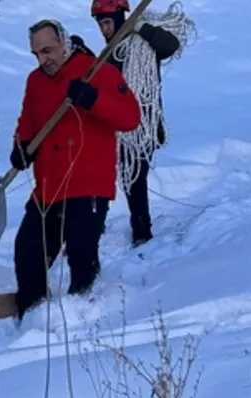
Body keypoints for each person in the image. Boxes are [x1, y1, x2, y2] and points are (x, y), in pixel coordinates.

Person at [10, 19, 140, 318]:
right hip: (48, 188)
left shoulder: (98, 72)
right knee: (28, 252)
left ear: (64, 43)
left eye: (48, 50)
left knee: (81, 254)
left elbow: (130, 117)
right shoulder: (35, 81)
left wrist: (93, 99)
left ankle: (85, 314)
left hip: (88, 184)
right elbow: (27, 121)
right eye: (37, 54)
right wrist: (21, 146)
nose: (43, 60)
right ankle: (33, 318)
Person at [92, 0, 180, 247]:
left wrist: (142, 28)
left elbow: (170, 45)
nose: (104, 30)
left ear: (121, 18)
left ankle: (142, 232)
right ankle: (95, 228)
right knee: (104, 176)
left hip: (144, 126)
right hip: (116, 126)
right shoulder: (110, 54)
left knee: (134, 178)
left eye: (108, 23)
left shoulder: (144, 45)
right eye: (100, 25)